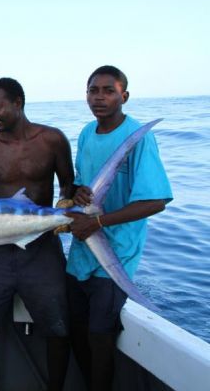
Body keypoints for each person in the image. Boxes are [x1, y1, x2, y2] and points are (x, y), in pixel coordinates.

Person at [64, 65, 173, 391]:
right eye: (93, 90)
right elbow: (80, 185)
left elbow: (156, 201)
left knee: (100, 335)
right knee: (75, 329)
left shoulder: (140, 137)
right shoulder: (87, 133)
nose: (99, 97)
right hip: (81, 253)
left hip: (116, 256)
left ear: (124, 96)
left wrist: (97, 222)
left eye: (108, 91)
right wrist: (76, 192)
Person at [0, 77, 73, 391]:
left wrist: (66, 203)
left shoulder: (53, 140)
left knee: (57, 328)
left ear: (18, 102)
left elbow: (67, 186)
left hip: (41, 248)